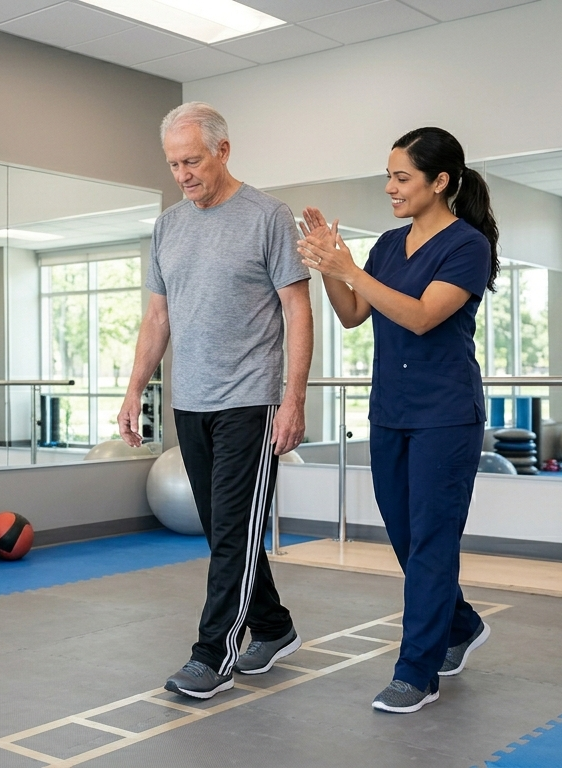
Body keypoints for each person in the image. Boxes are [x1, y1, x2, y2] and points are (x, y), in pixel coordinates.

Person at [297, 127, 498, 714]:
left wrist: (351, 269)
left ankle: (418, 672)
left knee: (433, 543)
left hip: (446, 414)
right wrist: (331, 268)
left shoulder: (466, 246)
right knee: (408, 540)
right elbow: (354, 314)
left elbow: (419, 317)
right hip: (390, 411)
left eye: (401, 176)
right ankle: (459, 625)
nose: (390, 187)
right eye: (388, 175)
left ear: (441, 182)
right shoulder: (388, 244)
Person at [118, 102, 312, 700]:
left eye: (193, 161)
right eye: (175, 164)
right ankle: (274, 627)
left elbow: (297, 310)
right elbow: (158, 315)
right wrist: (134, 390)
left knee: (232, 533)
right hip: (191, 403)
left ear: (223, 151)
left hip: (250, 401)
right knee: (224, 531)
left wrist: (293, 400)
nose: (183, 174)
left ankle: (213, 656)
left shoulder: (268, 217)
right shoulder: (168, 227)